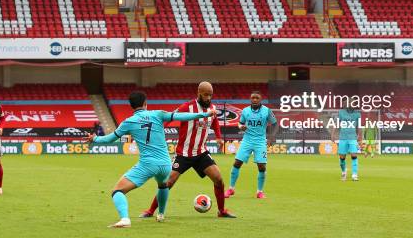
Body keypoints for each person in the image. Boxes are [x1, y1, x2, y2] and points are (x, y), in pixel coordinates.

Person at [86, 91, 215, 228]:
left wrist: (94, 139)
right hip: (166, 164)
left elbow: (109, 139)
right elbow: (180, 116)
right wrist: (205, 114)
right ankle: (160, 214)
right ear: (145, 103)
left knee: (117, 191)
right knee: (163, 185)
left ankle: (124, 219)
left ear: (131, 106)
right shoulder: (157, 114)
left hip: (148, 164)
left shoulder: (128, 122)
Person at [141, 81, 236, 218]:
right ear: (199, 93)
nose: (208, 98)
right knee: (168, 182)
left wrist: (219, 137)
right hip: (183, 154)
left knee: (218, 179)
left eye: (210, 95)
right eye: (205, 95)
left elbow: (214, 121)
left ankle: (221, 211)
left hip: (201, 153)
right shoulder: (187, 107)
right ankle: (150, 211)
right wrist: (157, 128)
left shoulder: (212, 108)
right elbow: (169, 117)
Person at [225, 91, 278, 199]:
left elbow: (275, 123)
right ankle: (231, 189)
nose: (254, 99)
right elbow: (240, 123)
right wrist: (241, 127)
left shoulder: (266, 111)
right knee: (237, 163)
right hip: (247, 141)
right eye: (252, 98)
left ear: (260, 99)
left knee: (262, 166)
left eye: (257, 98)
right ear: (250, 99)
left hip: (260, 141)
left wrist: (271, 137)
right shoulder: (245, 111)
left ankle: (259, 191)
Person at [331, 108, 362, 181]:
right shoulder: (341, 112)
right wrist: (333, 134)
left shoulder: (357, 114)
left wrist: (360, 136)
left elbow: (359, 126)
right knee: (342, 158)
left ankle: (354, 174)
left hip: (353, 138)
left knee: (354, 156)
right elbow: (337, 123)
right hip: (343, 138)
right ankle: (344, 171)